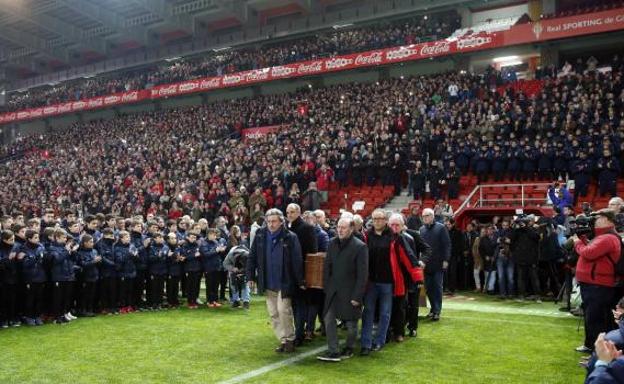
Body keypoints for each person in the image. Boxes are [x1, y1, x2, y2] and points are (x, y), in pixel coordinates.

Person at [247, 208, 304, 353]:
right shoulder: (260, 235)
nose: (271, 224)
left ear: (281, 222)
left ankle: (290, 339)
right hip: (267, 281)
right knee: (273, 313)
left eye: (274, 221)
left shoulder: (290, 237)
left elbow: (297, 261)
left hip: (284, 282)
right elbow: (252, 256)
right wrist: (250, 277)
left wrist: (300, 281)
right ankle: (283, 340)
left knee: (283, 310)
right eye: (269, 221)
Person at [316, 217, 368, 362]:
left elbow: (362, 274)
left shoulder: (360, 246)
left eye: (343, 227)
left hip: (351, 291)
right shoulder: (332, 243)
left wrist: (357, 296)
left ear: (351, 229)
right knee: (328, 319)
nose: (340, 229)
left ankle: (349, 348)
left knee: (351, 324)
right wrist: (327, 287)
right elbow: (327, 267)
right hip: (333, 291)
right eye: (338, 226)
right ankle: (333, 351)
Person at [573, 209, 622, 353]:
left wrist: (577, 242)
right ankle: (591, 346)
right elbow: (591, 248)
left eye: (598, 217)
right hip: (594, 284)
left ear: (608, 220)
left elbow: (588, 252)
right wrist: (583, 240)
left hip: (598, 285)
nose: (594, 220)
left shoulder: (608, 238)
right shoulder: (604, 236)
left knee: (596, 319)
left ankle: (597, 351)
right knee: (592, 317)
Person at [286, 203, 318, 345]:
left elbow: (312, 253)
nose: (290, 215)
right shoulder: (286, 228)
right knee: (293, 305)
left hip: (302, 274)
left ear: (298, 212)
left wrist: (305, 276)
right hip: (289, 273)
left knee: (300, 305)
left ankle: (299, 335)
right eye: (288, 212)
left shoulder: (307, 228)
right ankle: (295, 333)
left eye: (292, 212)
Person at [419, 208, 451, 321]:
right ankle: (433, 309)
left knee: (437, 288)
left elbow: (447, 245)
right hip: (426, 264)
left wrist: (446, 260)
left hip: (438, 264)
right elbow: (421, 248)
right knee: (428, 289)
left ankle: (437, 311)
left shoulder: (441, 228)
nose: (425, 218)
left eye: (427, 216)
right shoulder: (421, 229)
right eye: (423, 216)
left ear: (432, 216)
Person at [223, 244, 250, 309]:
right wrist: (233, 268)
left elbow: (249, 267)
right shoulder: (231, 255)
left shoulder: (248, 255)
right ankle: (236, 301)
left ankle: (246, 302)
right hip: (233, 270)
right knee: (233, 285)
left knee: (245, 285)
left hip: (244, 270)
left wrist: (243, 272)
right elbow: (225, 264)